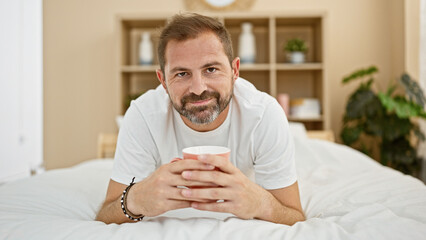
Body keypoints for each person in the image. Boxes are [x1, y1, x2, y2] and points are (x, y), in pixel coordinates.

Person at [96, 13, 305, 225]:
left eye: (211, 69)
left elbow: (294, 216)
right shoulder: (143, 115)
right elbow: (106, 215)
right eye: (182, 74)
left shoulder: (264, 115)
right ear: (163, 80)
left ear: (235, 70)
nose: (198, 89)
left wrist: (260, 203)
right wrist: (135, 200)